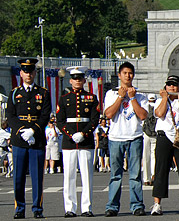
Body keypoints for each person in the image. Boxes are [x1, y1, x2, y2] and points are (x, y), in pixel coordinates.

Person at [7, 58, 51, 219]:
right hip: (19, 140)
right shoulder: (14, 93)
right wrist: (22, 131)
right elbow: (10, 116)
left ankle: (37, 209)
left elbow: (45, 115)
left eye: (31, 71)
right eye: (25, 71)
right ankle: (19, 208)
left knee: (37, 177)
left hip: (37, 139)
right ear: (21, 73)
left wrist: (32, 130)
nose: (28, 74)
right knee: (18, 177)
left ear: (34, 73)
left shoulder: (43, 93)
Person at [103, 61, 149, 217]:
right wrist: (120, 98)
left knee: (135, 174)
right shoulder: (111, 94)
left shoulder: (139, 95)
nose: (128, 76)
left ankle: (137, 205)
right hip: (116, 137)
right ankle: (112, 206)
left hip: (134, 136)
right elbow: (108, 114)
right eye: (125, 73)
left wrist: (132, 98)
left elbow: (143, 115)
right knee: (115, 174)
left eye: (130, 73)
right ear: (119, 75)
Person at [56, 65, 101, 217]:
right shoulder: (64, 99)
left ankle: (86, 207)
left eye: (80, 78)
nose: (77, 81)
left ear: (84, 80)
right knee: (69, 176)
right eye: (75, 79)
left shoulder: (91, 98)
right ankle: (69, 207)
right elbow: (60, 121)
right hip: (69, 142)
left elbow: (95, 119)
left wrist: (83, 133)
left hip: (85, 140)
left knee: (87, 176)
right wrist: (70, 134)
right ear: (70, 81)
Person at [150, 75, 179, 216]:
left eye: (175, 85)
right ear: (165, 87)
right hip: (164, 136)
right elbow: (159, 113)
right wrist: (165, 98)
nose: (172, 87)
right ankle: (157, 204)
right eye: (169, 84)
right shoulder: (160, 100)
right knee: (160, 170)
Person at [142, 94, 157, 186]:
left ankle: (146, 178)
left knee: (145, 156)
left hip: (146, 133)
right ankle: (154, 174)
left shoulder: (145, 106)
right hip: (155, 133)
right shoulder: (158, 106)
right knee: (154, 156)